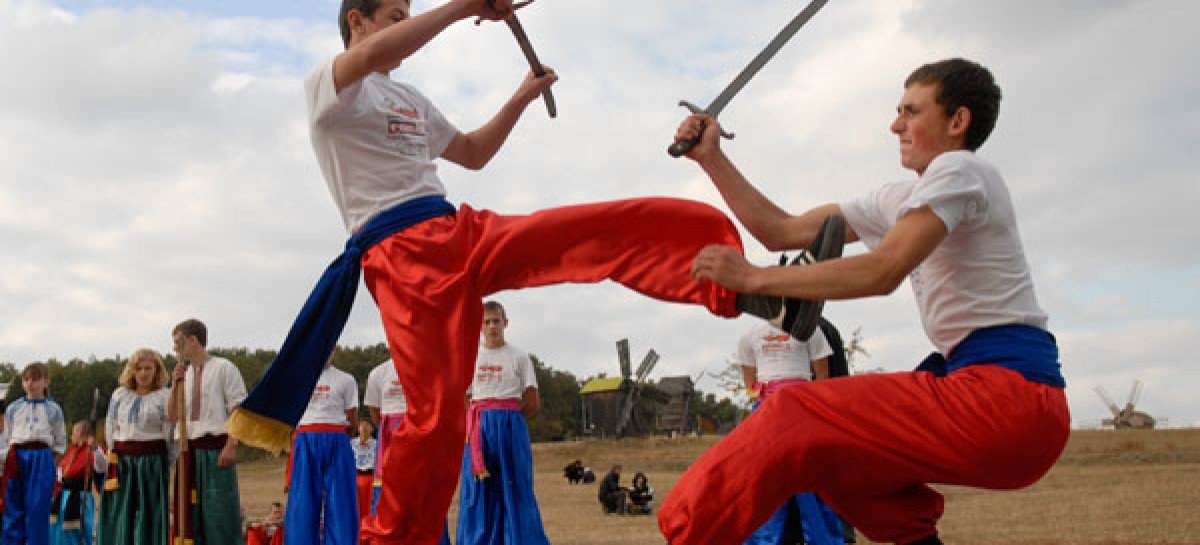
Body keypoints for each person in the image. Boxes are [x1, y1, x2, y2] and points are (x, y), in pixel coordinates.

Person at [226, 1, 800, 543]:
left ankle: (745, 287)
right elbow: (375, 56)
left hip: (458, 230)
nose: (407, 25)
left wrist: (522, 97)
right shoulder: (330, 87)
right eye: (397, 16)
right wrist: (464, 6)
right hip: (401, 259)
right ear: (358, 20)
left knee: (581, 232)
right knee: (436, 429)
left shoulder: (408, 98)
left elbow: (473, 151)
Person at [661, 58, 1070, 545]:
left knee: (796, 412)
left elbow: (884, 271)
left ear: (958, 121)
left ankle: (688, 534)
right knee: (832, 454)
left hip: (1007, 399)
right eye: (898, 110)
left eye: (911, 111)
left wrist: (756, 279)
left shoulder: (961, 168)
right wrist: (713, 158)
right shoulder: (901, 199)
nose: (895, 124)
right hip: (990, 396)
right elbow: (780, 231)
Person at [735, 323, 842, 545]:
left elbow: (823, 376)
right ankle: (763, 540)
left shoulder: (810, 329)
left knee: (810, 477)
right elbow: (749, 381)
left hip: (803, 407)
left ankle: (823, 539)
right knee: (765, 478)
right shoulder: (749, 335)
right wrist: (764, 396)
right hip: (767, 411)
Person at [456, 301, 549, 545]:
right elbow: (464, 397)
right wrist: (481, 420)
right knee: (478, 490)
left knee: (516, 486)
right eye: (486, 322)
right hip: (478, 427)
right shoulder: (469, 357)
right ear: (480, 326)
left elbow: (532, 400)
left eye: (496, 321)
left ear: (505, 323)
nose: (492, 326)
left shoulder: (519, 357)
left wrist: (510, 419)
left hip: (510, 424)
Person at [167, 318, 249, 545]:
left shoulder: (224, 368)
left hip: (216, 449)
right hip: (187, 450)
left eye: (178, 342)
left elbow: (238, 411)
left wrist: (231, 445)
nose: (174, 348)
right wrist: (175, 384)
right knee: (189, 516)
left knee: (219, 515)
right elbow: (172, 415)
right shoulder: (183, 373)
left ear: (193, 340)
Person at [98, 348, 173, 545]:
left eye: (148, 368)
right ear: (132, 371)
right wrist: (112, 455)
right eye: (139, 368)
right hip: (122, 462)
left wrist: (166, 461)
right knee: (121, 511)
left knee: (150, 512)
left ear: (157, 370)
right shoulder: (120, 395)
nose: (143, 373)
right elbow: (110, 425)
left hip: (151, 462)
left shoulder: (165, 396)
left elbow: (169, 431)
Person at [284, 358, 359, 545]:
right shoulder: (298, 377)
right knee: (303, 501)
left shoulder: (346, 379)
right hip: (306, 436)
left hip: (337, 436)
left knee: (342, 500)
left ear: (335, 349)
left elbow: (352, 416)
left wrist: (342, 436)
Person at [1, 362, 68, 545]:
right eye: (27, 379)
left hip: (42, 457)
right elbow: (7, 437)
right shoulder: (13, 408)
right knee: (13, 507)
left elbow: (60, 439)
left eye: (36, 379)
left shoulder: (54, 409)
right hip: (16, 456)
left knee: (37, 509)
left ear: (46, 382)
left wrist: (50, 461)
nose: (31, 383)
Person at [49, 422, 106, 545]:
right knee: (59, 529)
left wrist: (95, 448)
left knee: (80, 530)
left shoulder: (92, 451)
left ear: (83, 434)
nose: (71, 436)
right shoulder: (71, 450)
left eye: (74, 432)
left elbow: (101, 467)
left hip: (80, 497)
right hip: (64, 496)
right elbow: (62, 472)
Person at [351, 419, 376, 534]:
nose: (364, 427)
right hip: (355, 478)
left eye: (367, 424)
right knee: (356, 509)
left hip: (371, 479)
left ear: (372, 428)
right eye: (361, 424)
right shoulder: (352, 443)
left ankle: (368, 533)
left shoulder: (377, 443)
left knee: (369, 509)